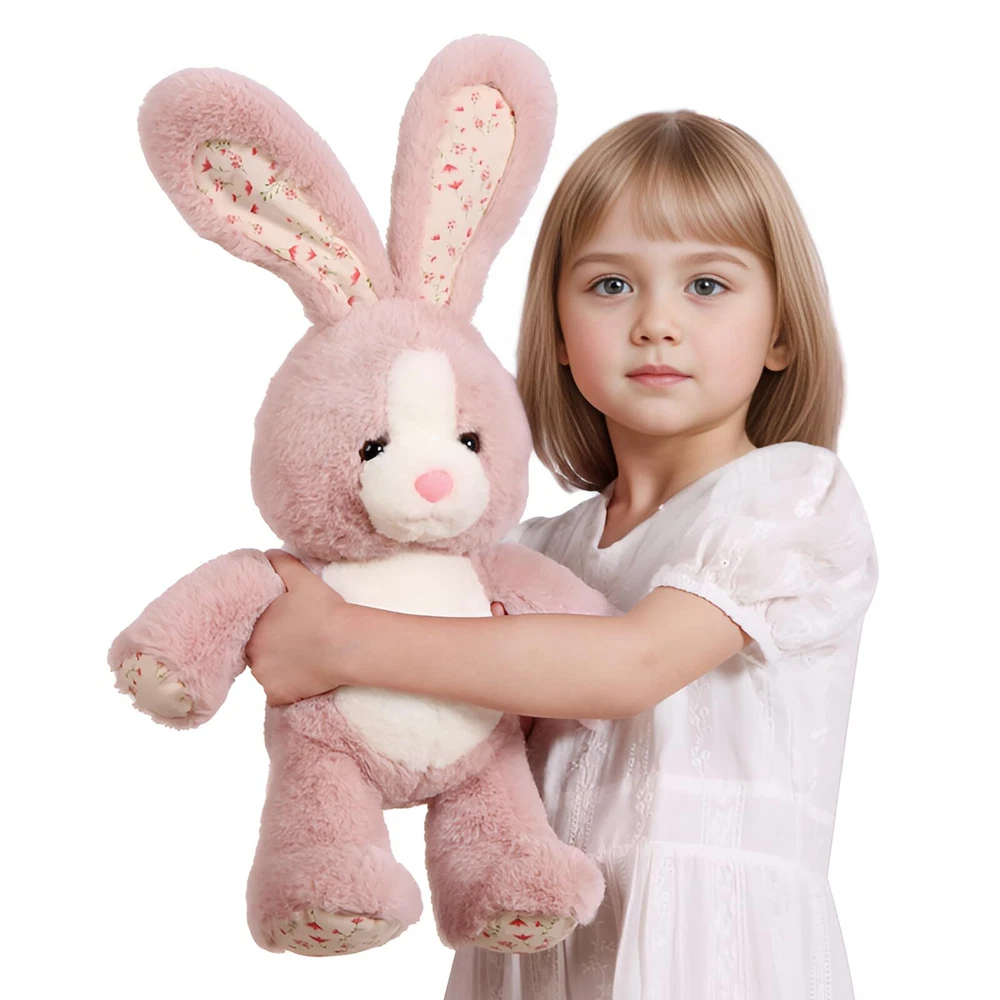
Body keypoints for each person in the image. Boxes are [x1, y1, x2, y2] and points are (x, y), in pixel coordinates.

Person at [246, 109, 879, 999]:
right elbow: (447, 744)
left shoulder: (789, 499)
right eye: (611, 285)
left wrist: (342, 639)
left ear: (781, 331)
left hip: (715, 959)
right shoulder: (536, 554)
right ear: (557, 332)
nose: (657, 322)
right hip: (534, 949)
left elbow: (631, 665)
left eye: (707, 285)